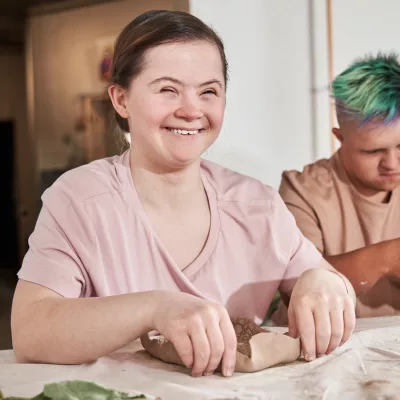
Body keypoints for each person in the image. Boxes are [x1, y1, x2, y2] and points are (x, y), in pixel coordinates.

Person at [11, 10, 355, 378]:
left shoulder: (258, 205)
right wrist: (154, 309)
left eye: (209, 91)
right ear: (121, 100)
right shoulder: (80, 199)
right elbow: (30, 332)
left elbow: (333, 287)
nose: (191, 110)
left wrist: (323, 282)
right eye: (167, 90)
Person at [277, 53, 400, 320]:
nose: (391, 163)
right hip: (322, 344)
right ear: (340, 138)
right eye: (373, 151)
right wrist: (388, 258)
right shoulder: (302, 190)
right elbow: (295, 286)